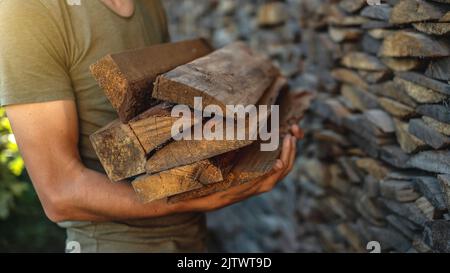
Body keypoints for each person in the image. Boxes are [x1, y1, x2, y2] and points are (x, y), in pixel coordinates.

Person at [0, 0, 302, 253]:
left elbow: (171, 125)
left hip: (192, 240)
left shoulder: (147, 4)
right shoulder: (28, 9)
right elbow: (60, 195)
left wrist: (257, 146)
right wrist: (196, 200)